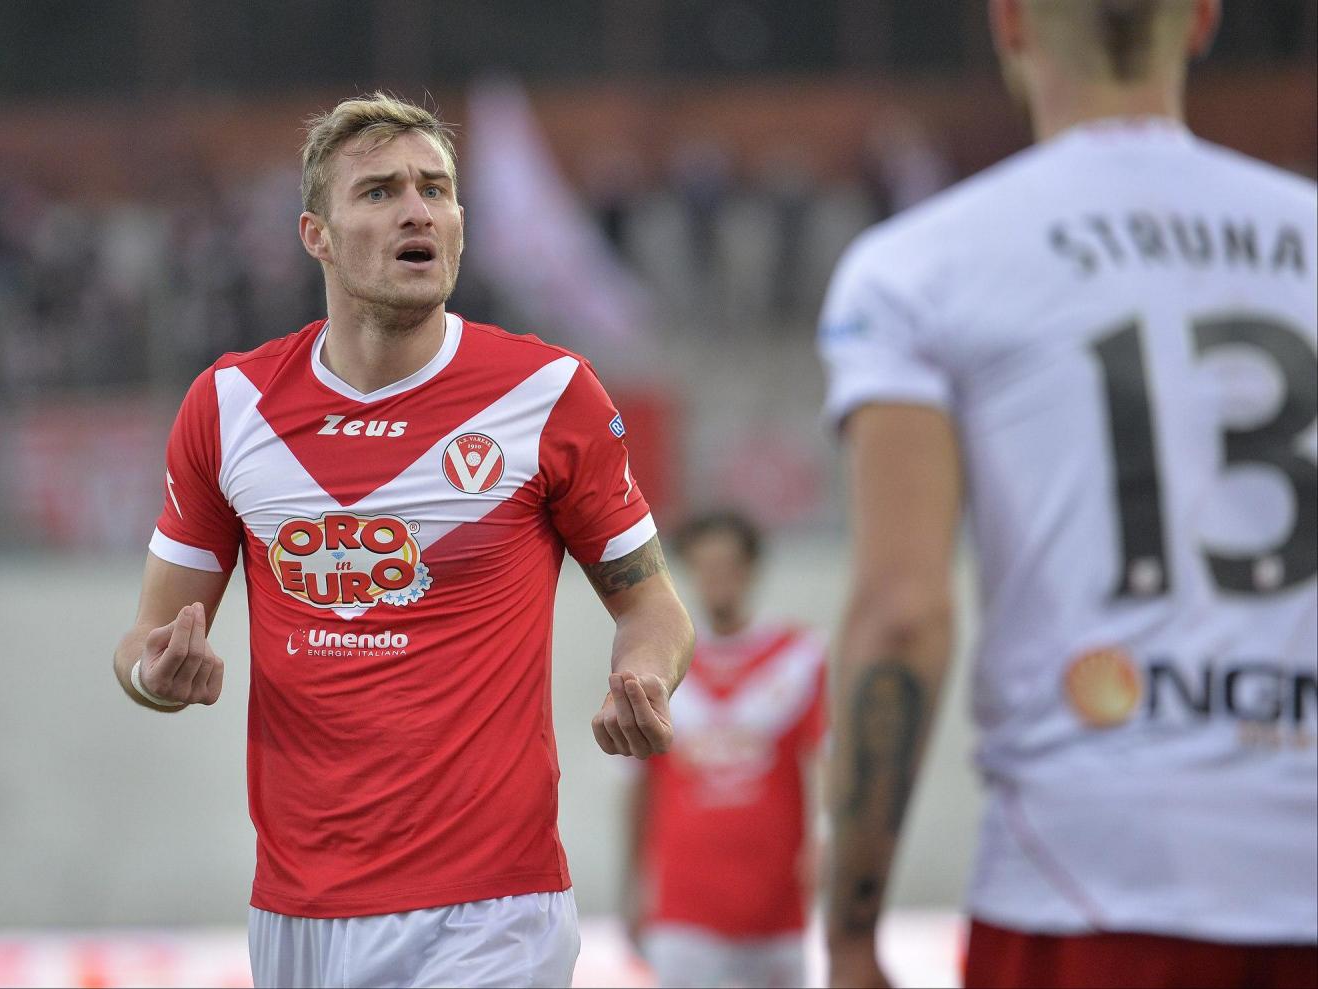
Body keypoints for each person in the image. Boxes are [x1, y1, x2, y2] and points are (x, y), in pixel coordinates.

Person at [111, 93, 694, 989]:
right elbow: (142, 644)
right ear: (316, 235)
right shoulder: (229, 407)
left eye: (437, 189)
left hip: (492, 910)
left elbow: (653, 606)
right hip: (298, 911)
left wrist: (644, 675)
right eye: (380, 191)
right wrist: (157, 675)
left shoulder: (547, 393)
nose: (418, 210)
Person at [816, 2, 1317, 987]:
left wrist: (850, 934)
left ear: (1008, 22)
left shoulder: (921, 264)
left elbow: (903, 612)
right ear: (1202, 20)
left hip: (1082, 866)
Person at [623, 510, 825, 988]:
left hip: (777, 905)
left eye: (728, 565)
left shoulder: (799, 658)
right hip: (684, 907)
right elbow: (636, 785)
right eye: (705, 566)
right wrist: (632, 885)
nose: (717, 580)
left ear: (751, 569)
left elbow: (825, 763)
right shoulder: (656, 668)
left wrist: (826, 839)